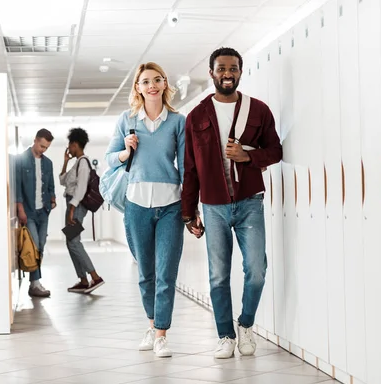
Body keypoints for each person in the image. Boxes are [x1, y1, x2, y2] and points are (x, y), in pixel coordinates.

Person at [181, 47, 283, 358]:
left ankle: (246, 325)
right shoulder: (196, 116)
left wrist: (248, 156)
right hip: (213, 206)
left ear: (240, 72)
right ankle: (225, 335)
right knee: (218, 275)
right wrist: (189, 213)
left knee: (256, 270)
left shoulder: (259, 110)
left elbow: (276, 151)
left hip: (249, 201)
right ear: (211, 73)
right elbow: (190, 168)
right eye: (222, 68)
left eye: (233, 68)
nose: (228, 73)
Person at [105, 62, 185, 358]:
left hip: (171, 206)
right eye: (145, 81)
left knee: (166, 273)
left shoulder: (178, 121)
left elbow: (186, 166)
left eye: (157, 80)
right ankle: (151, 326)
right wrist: (126, 151)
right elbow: (110, 159)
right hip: (137, 205)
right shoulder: (127, 120)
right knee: (146, 273)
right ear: (137, 87)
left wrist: (190, 208)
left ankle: (162, 334)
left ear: (165, 84)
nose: (152, 85)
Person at [60, 128, 105, 294]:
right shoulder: (77, 163)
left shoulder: (83, 163)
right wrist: (65, 161)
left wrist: (72, 209)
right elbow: (62, 180)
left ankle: (94, 276)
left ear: (75, 144)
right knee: (70, 242)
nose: (69, 148)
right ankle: (83, 280)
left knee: (73, 242)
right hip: (72, 206)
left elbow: (81, 189)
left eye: (70, 145)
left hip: (76, 207)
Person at [15, 128, 57, 298]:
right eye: (41, 146)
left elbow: (51, 185)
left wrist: (53, 199)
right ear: (35, 140)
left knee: (41, 246)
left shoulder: (48, 163)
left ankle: (34, 284)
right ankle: (35, 283)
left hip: (44, 211)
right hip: (29, 212)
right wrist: (20, 209)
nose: (43, 150)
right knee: (35, 247)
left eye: (46, 147)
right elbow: (17, 186)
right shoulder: (21, 160)